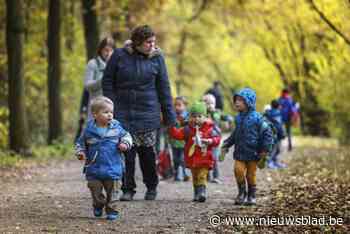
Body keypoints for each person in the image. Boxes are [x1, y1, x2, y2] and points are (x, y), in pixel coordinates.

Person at [102, 25, 176, 201]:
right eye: (148, 42)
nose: (152, 45)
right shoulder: (119, 56)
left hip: (148, 115)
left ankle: (151, 186)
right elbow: (107, 81)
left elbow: (164, 87)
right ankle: (128, 189)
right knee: (126, 154)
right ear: (137, 42)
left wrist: (169, 116)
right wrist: (110, 106)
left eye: (153, 42)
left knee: (147, 155)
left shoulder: (157, 58)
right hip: (122, 113)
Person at [75, 96, 133, 220]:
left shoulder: (117, 127)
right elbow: (80, 143)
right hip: (94, 168)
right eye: (106, 112)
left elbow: (127, 136)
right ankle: (98, 204)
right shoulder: (89, 130)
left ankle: (112, 209)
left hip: (113, 167)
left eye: (111, 112)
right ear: (95, 114)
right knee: (94, 189)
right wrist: (80, 153)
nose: (110, 115)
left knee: (114, 192)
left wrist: (125, 144)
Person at [221, 88, 273, 206]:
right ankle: (241, 193)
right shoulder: (238, 118)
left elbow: (267, 133)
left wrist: (265, 150)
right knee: (237, 171)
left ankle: (251, 195)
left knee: (251, 175)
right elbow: (235, 134)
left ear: (249, 102)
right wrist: (227, 144)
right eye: (236, 100)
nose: (237, 103)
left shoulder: (257, 118)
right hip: (240, 153)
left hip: (253, 153)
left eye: (241, 100)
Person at [169, 102, 221, 202]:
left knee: (202, 175)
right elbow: (178, 135)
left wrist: (210, 141)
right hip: (192, 159)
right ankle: (197, 193)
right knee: (195, 176)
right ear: (189, 117)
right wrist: (171, 128)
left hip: (205, 157)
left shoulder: (209, 128)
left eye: (199, 116)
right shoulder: (188, 129)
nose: (196, 119)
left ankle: (202, 193)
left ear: (205, 117)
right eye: (193, 116)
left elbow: (217, 138)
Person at [84, 37, 115, 119]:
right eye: (106, 50)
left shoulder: (116, 66)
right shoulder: (93, 63)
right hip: (96, 107)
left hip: (111, 109)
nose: (108, 53)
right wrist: (102, 80)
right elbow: (87, 86)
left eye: (111, 50)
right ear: (100, 50)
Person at [168, 96, 190, 181]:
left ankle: (183, 174)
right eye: (175, 105)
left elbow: (188, 127)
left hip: (184, 142)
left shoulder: (187, 116)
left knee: (182, 159)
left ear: (185, 106)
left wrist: (183, 122)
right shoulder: (173, 115)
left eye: (179, 105)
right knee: (175, 159)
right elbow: (169, 127)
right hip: (174, 142)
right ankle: (177, 173)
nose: (177, 107)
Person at [202, 94, 222, 184]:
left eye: (212, 103)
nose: (209, 105)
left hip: (214, 139)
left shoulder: (216, 113)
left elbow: (217, 119)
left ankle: (216, 176)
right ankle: (207, 176)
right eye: (207, 103)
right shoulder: (202, 114)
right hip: (205, 138)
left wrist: (213, 113)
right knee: (205, 157)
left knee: (214, 157)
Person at [264, 100, 286, 169]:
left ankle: (274, 161)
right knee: (274, 149)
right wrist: (283, 133)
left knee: (277, 149)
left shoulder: (269, 113)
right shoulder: (278, 114)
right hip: (276, 134)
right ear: (278, 106)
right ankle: (269, 162)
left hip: (272, 134)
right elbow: (279, 125)